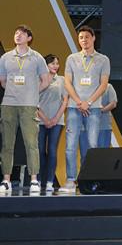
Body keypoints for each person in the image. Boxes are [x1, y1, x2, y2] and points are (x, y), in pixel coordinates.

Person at [0, 25, 50, 194]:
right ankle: (6, 180)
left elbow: (45, 81)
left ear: (29, 38)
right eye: (16, 33)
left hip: (29, 105)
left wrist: (31, 93)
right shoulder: (6, 57)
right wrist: (15, 92)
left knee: (31, 143)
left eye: (22, 34)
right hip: (9, 104)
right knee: (7, 143)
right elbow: (3, 81)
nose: (18, 36)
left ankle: (34, 179)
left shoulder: (37, 58)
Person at [63, 25, 110, 193]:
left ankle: (89, 180)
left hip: (94, 108)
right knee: (70, 145)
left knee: (92, 145)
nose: (84, 40)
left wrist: (88, 102)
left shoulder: (103, 59)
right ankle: (70, 179)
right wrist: (78, 101)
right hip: (74, 107)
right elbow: (67, 82)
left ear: (93, 38)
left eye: (87, 37)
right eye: (81, 37)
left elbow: (103, 84)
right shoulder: (72, 58)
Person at [37, 54, 67, 192]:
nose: (56, 66)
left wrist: (55, 119)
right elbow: (33, 101)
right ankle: (39, 180)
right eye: (52, 63)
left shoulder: (61, 80)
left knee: (52, 150)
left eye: (57, 63)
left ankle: (50, 181)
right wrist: (45, 119)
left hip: (57, 121)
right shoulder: (38, 79)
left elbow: (65, 100)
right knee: (40, 150)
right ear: (45, 65)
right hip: (39, 120)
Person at [98, 83, 118, 148]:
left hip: (103, 125)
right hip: (86, 127)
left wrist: (102, 110)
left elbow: (113, 103)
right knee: (86, 152)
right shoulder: (86, 86)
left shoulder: (108, 86)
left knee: (103, 151)